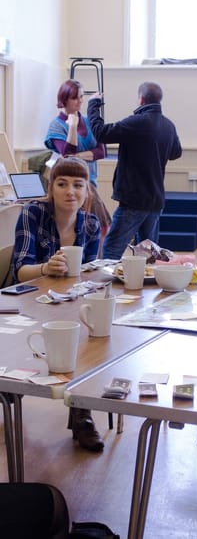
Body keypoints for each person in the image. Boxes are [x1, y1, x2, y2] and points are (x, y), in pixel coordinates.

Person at [11, 157, 105, 453]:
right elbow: (19, 271)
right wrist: (46, 268)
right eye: (62, 184)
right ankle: (10, 391)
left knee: (89, 338)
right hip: (27, 300)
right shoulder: (33, 213)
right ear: (50, 188)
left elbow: (88, 274)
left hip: (66, 301)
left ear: (87, 191)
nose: (70, 192)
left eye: (78, 185)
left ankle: (81, 414)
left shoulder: (89, 223)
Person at [87, 81, 182, 260]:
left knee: (111, 251)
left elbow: (101, 133)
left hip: (134, 200)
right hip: (155, 200)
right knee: (149, 253)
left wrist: (93, 105)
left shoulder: (136, 122)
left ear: (141, 99)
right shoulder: (169, 125)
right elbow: (176, 153)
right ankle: (145, 287)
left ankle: (107, 287)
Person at [45, 79, 112, 250]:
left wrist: (76, 156)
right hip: (70, 184)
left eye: (81, 97)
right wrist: (72, 127)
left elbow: (100, 151)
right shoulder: (56, 125)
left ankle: (93, 263)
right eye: (75, 97)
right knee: (89, 226)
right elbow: (67, 153)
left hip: (90, 182)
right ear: (64, 99)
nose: (80, 101)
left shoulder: (89, 121)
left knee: (100, 226)